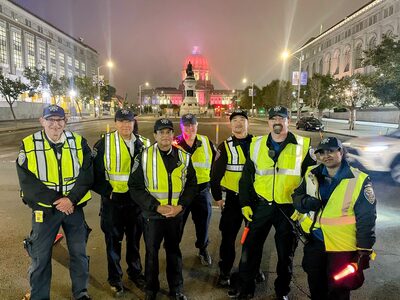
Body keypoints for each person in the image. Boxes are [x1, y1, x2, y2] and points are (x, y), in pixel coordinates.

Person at [229, 105, 315, 300]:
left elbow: (312, 182)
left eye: (281, 118)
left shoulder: (303, 145)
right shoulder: (257, 145)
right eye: (273, 118)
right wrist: (245, 204)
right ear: (268, 122)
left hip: (288, 209)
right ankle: (246, 287)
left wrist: (303, 208)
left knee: (286, 254)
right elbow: (246, 179)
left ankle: (282, 291)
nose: (277, 121)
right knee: (250, 249)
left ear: (288, 121)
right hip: (262, 205)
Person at [16, 104, 93, 300]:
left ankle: (81, 293)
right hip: (45, 210)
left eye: (59, 120)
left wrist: (71, 200)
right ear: (42, 121)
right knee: (41, 257)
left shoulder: (78, 142)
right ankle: (39, 296)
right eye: (50, 120)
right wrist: (59, 200)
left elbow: (86, 175)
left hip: (73, 209)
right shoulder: (29, 144)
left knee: (79, 255)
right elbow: (28, 183)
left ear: (65, 122)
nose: (55, 124)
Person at [292, 137, 376, 300]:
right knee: (315, 284)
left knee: (339, 288)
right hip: (315, 241)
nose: (326, 155)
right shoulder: (311, 173)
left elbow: (367, 217)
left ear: (341, 152)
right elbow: (297, 195)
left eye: (331, 150)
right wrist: (305, 202)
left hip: (342, 247)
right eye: (321, 152)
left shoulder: (359, 180)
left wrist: (364, 249)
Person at [128, 118, 197, 300]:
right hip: (153, 215)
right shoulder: (143, 157)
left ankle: (177, 289)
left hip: (175, 214)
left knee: (174, 251)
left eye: (168, 132)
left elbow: (192, 185)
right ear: (154, 135)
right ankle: (151, 290)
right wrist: (156, 207)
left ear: (173, 135)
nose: (165, 136)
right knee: (152, 253)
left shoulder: (184, 157)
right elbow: (134, 187)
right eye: (161, 132)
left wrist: (180, 207)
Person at [92, 109, 149, 296]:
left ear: (134, 123)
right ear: (115, 123)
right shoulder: (104, 144)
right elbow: (95, 174)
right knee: (113, 243)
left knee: (134, 241)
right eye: (122, 121)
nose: (126, 125)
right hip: (113, 203)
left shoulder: (144, 144)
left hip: (135, 204)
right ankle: (115, 278)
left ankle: (135, 272)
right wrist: (108, 192)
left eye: (129, 121)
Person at [211, 109, 261, 286]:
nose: (238, 123)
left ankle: (252, 270)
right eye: (235, 120)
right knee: (228, 237)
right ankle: (225, 271)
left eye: (242, 119)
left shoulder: (259, 144)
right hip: (234, 199)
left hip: (255, 200)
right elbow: (215, 174)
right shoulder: (225, 146)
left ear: (248, 123)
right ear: (230, 125)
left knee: (254, 238)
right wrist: (218, 197)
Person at [175, 113, 216, 266]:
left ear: (197, 125)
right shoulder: (174, 143)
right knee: (177, 224)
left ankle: (203, 248)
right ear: (181, 126)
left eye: (192, 124)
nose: (190, 127)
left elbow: (215, 163)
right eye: (186, 125)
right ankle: (174, 250)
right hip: (181, 193)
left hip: (202, 191)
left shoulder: (206, 142)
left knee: (203, 223)